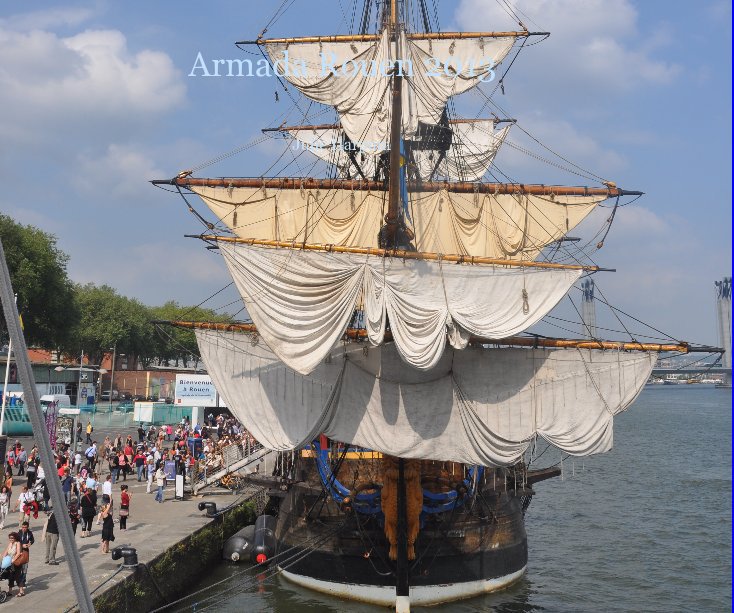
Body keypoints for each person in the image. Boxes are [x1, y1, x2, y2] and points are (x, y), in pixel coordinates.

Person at [4, 532, 24, 597]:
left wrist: (13, 560)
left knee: (18, 576)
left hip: (16, 563)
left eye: (12, 538)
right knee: (10, 577)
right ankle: (10, 591)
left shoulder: (17, 543)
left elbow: (18, 553)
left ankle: (21, 591)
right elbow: (6, 552)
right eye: (10, 538)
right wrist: (3, 559)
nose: (11, 539)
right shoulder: (10, 544)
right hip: (10, 563)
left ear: (15, 538)